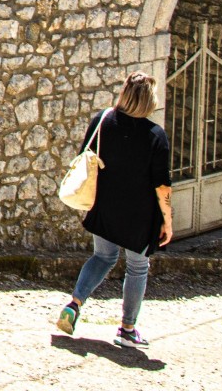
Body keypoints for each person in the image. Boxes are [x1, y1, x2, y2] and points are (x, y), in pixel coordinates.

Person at [56, 71, 172, 348]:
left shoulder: (103, 120)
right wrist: (167, 220)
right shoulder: (156, 135)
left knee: (102, 258)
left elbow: (86, 154)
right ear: (148, 101)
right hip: (140, 215)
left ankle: (74, 304)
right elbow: (162, 187)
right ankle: (127, 329)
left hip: (105, 205)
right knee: (137, 268)